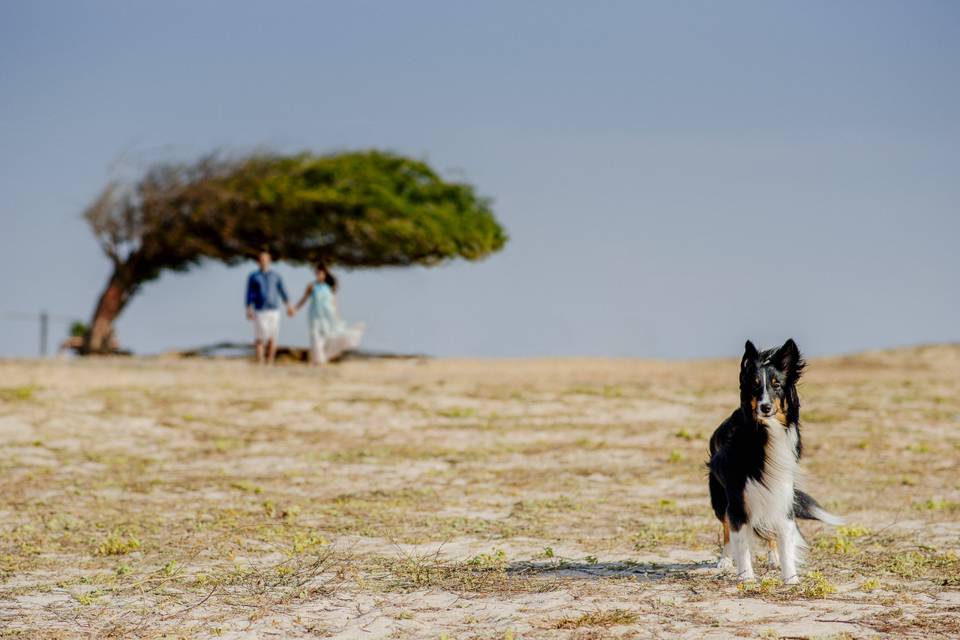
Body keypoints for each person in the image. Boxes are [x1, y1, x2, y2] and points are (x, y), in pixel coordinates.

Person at [292, 262, 364, 366]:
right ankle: (317, 361)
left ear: (325, 274)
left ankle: (321, 360)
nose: (318, 275)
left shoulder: (330, 288)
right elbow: (304, 299)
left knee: (329, 338)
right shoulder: (311, 286)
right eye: (317, 273)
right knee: (315, 339)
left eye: (321, 273)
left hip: (327, 317)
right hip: (315, 317)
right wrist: (295, 309)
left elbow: (334, 303)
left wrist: (337, 316)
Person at [245, 250, 294, 365]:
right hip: (259, 310)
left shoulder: (276, 276)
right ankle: (260, 361)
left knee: (273, 337)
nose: (264, 262)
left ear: (270, 261)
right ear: (258, 262)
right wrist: (248, 308)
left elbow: (283, 292)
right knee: (260, 337)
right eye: (261, 260)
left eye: (266, 260)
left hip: (274, 310)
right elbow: (249, 294)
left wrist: (289, 306)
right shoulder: (253, 277)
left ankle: (270, 361)